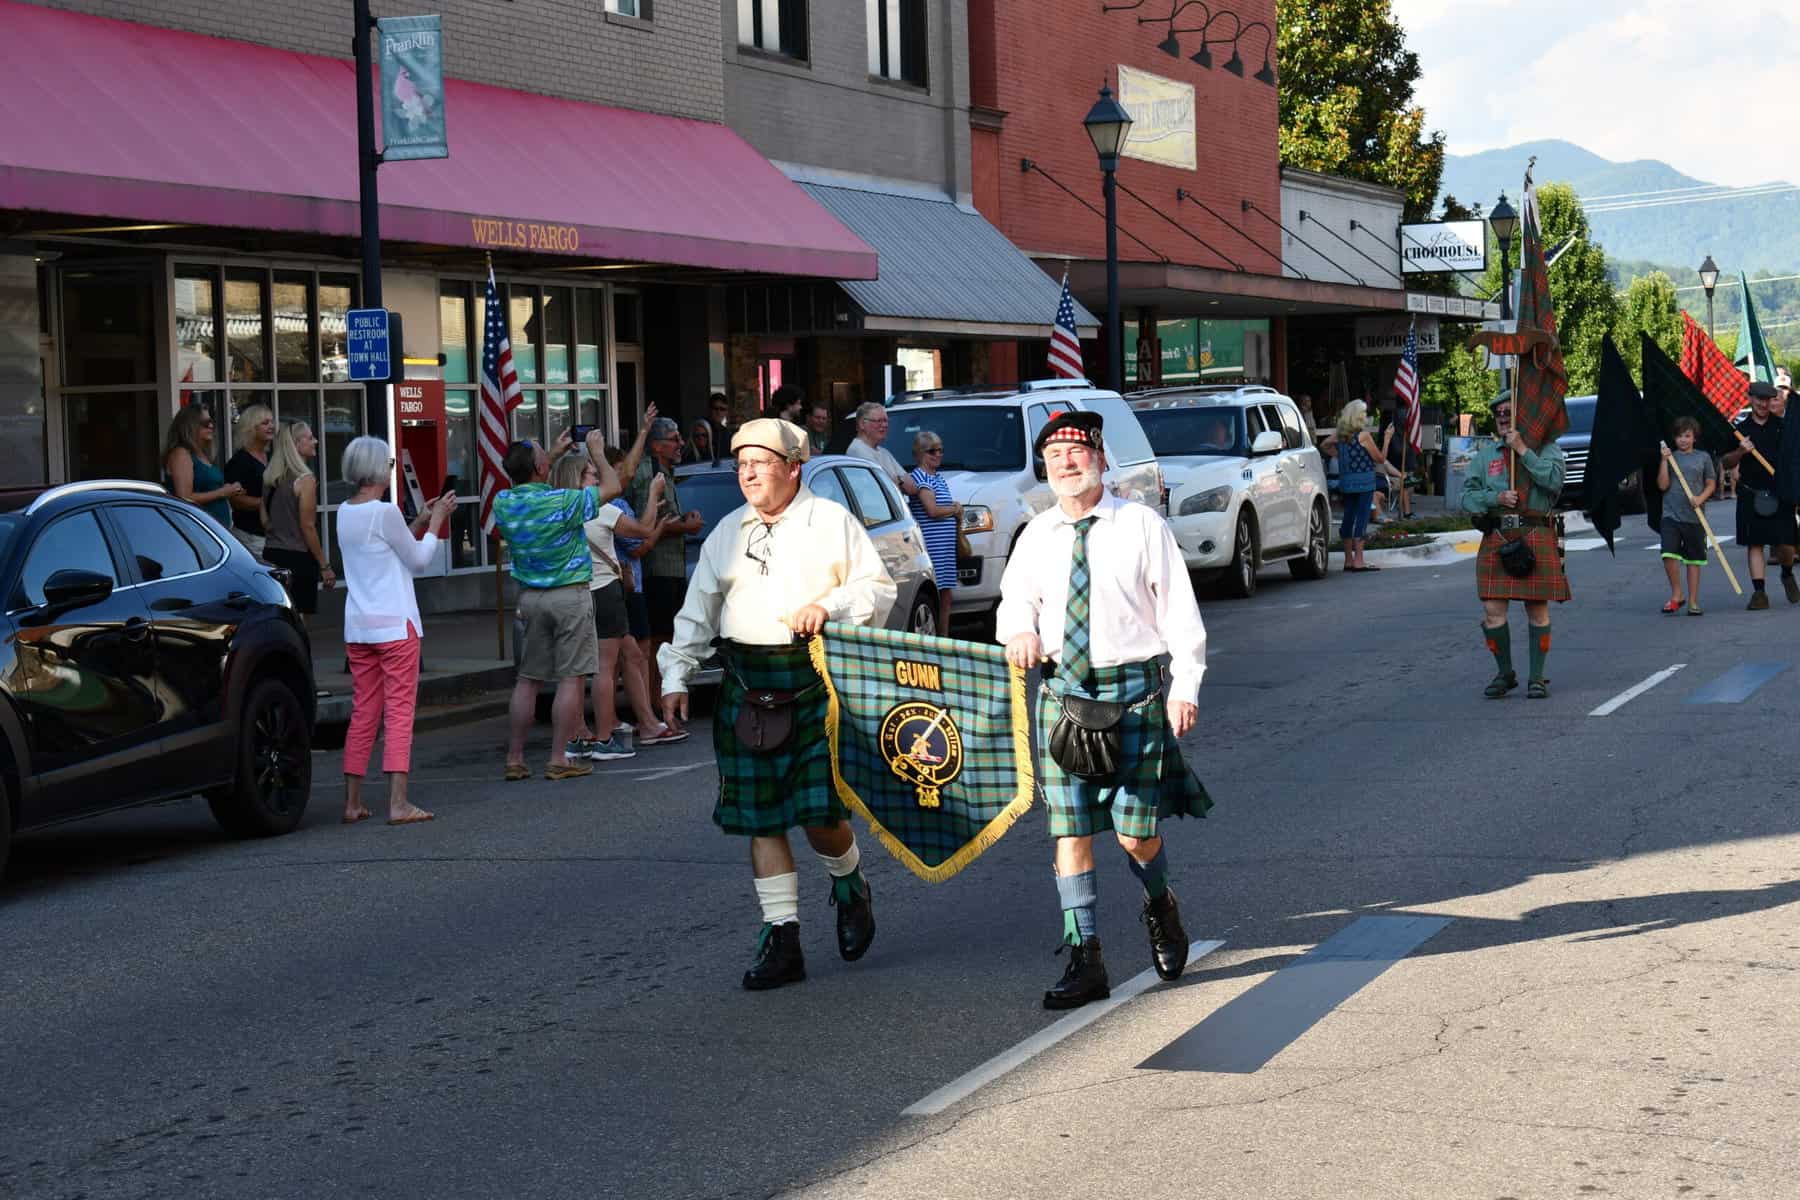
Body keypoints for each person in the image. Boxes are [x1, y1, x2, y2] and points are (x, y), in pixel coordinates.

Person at [659, 418, 896, 991]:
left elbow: (877, 588)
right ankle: (782, 936)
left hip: (814, 678)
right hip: (747, 680)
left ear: (793, 468)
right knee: (761, 817)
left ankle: (849, 883)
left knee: (819, 813)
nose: (747, 474)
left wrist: (829, 607)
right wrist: (676, 673)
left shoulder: (830, 521)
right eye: (742, 465)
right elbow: (699, 608)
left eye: (760, 464)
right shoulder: (727, 533)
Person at [997, 411, 1210, 1010]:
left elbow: (1179, 612)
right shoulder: (1036, 535)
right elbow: (1015, 602)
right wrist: (1018, 631)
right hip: (1064, 696)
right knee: (1069, 831)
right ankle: (1084, 955)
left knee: (1135, 834)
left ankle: (1160, 902)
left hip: (1135, 695)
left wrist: (1185, 684)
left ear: (1100, 460)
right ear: (1044, 468)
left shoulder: (1140, 525)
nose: (1066, 463)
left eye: (1077, 452)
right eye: (1055, 455)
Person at [493, 425, 623, 781]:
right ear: (540, 468)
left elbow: (529, 475)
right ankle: (557, 758)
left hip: (530, 598)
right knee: (571, 678)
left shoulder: (504, 503)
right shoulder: (563, 501)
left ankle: (515, 759)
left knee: (528, 679)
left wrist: (549, 453)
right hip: (569, 595)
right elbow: (612, 488)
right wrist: (596, 452)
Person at [336, 436, 453, 827]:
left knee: (364, 711)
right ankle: (398, 802)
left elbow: (386, 549)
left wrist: (418, 522)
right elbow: (418, 559)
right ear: (377, 470)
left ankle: (353, 802)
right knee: (399, 711)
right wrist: (435, 523)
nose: (390, 467)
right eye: (387, 462)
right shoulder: (384, 511)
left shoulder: (343, 511)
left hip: (359, 625)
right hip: (396, 625)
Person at [547, 451, 666, 762]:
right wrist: (653, 495)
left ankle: (575, 737)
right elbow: (643, 530)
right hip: (603, 590)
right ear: (578, 479)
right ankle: (604, 737)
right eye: (590, 474)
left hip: (570, 593)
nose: (596, 478)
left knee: (575, 672)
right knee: (605, 668)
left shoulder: (554, 509)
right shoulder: (599, 509)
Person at [1460, 390, 1569, 699]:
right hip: (1497, 537)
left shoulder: (1547, 449)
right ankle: (1505, 673)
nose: (1504, 417)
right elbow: (1465, 497)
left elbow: (1553, 482)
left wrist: (1522, 449)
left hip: (1535, 534)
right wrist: (1494, 498)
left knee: (1537, 611)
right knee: (1492, 611)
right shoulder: (1485, 456)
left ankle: (1537, 677)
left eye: (1510, 412)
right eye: (1499, 414)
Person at [605, 445, 688, 748]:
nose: (625, 474)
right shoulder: (611, 506)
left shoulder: (619, 503)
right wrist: (656, 506)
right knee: (629, 658)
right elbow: (639, 541)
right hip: (623, 589)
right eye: (619, 469)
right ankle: (637, 721)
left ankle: (640, 721)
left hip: (629, 587)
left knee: (631, 657)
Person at [628, 416, 705, 713]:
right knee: (658, 638)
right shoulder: (650, 473)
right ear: (657, 445)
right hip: (655, 568)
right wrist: (685, 528)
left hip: (672, 566)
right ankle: (654, 703)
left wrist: (686, 521)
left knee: (668, 637)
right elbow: (647, 522)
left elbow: (667, 516)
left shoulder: (667, 472)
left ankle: (662, 699)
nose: (681, 444)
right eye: (674, 439)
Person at [1722, 380, 1797, 609]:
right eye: (1759, 399)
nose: (1763, 404)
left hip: (1780, 491)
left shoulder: (1783, 428)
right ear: (1750, 399)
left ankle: (1786, 573)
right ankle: (1759, 593)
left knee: (1786, 545)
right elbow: (1726, 462)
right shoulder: (1740, 431)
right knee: (1755, 544)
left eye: (1767, 399)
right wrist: (1740, 451)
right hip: (1751, 494)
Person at [261, 422, 335, 621]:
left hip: (271, 554)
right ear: (296, 444)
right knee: (297, 622)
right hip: (298, 557)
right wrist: (324, 566)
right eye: (310, 438)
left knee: (277, 618)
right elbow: (308, 526)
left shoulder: (271, 478)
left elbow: (264, 519)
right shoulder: (305, 480)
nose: (315, 441)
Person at [1322, 401, 1400, 572]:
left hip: (1347, 482)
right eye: (1364, 413)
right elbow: (1380, 459)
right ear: (1358, 416)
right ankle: (1359, 561)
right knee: (1362, 519)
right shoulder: (1363, 436)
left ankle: (1348, 560)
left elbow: (1324, 445)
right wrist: (1387, 439)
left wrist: (1340, 457)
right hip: (1364, 483)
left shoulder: (1341, 435)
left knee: (1348, 518)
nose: (1365, 416)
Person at [1657, 417, 1716, 616]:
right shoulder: (1670, 457)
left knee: (1694, 559)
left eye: (1687, 436)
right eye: (1679, 436)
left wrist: (1701, 498)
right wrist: (1664, 461)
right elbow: (1663, 485)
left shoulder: (1703, 457)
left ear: (1694, 438)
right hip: (1671, 514)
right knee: (1668, 553)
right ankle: (1677, 594)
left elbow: (1711, 483)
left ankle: (1692, 601)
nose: (1683, 440)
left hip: (1695, 516)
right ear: (1674, 438)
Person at [906, 429, 962, 634]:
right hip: (933, 546)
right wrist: (955, 509)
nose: (938, 454)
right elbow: (932, 511)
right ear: (920, 453)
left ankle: (944, 638)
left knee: (947, 596)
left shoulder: (938, 478)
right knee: (938, 596)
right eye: (932, 451)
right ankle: (938, 640)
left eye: (940, 450)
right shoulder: (920, 477)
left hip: (945, 547)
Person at [163, 405, 241, 527]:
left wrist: (228, 489)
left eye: (211, 422)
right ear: (190, 426)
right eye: (205, 423)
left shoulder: (202, 454)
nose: (211, 426)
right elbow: (184, 497)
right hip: (196, 529)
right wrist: (223, 492)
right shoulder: (181, 453)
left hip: (215, 529)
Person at [224, 402, 275, 556]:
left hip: (273, 536)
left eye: (272, 421)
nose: (271, 426)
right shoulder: (239, 462)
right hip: (251, 537)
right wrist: (269, 503)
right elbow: (236, 501)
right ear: (251, 428)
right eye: (265, 423)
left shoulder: (273, 456)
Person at [844, 402, 920, 498]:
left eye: (886, 421)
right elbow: (884, 488)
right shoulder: (857, 450)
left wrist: (897, 480)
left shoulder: (884, 452)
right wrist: (899, 480)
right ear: (862, 424)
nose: (884, 425)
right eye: (879, 421)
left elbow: (913, 488)